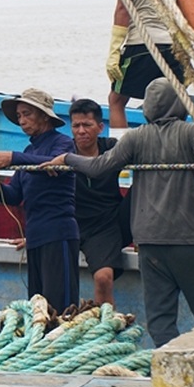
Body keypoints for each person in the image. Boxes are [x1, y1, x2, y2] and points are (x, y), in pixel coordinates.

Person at [44, 78, 194, 347]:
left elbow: (98, 167)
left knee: (160, 322)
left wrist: (68, 158)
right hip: (191, 240)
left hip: (150, 243)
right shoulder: (191, 134)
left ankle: (168, 364)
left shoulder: (136, 138)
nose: (80, 130)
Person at [0, 88, 79, 314]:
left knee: (60, 307)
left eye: (27, 114)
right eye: (19, 116)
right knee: (38, 307)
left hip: (58, 233)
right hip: (35, 236)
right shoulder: (29, 150)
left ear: (44, 116)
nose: (22, 121)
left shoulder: (63, 144)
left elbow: (52, 164)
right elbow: (16, 194)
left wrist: (13, 157)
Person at [107, 0, 185, 137]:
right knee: (172, 103)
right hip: (172, 46)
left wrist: (114, 50)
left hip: (141, 45)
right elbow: (180, 6)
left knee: (116, 100)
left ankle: (120, 151)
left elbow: (123, 8)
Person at [69, 98, 126, 305]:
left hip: (106, 225)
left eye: (87, 125)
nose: (81, 131)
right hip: (72, 224)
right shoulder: (63, 151)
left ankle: (106, 322)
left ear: (100, 127)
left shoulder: (111, 148)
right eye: (76, 126)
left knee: (103, 278)